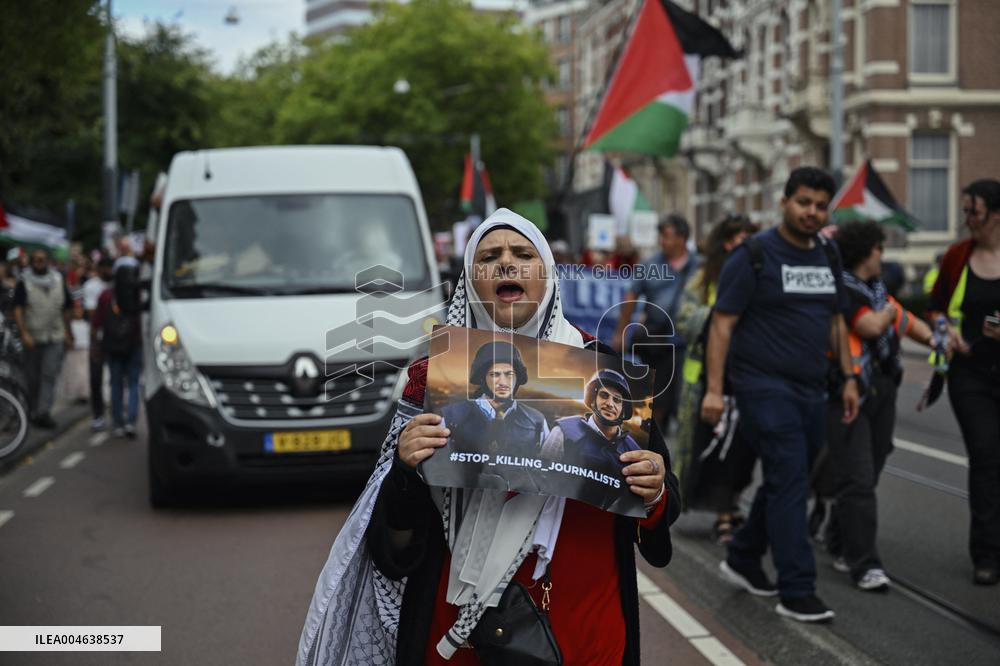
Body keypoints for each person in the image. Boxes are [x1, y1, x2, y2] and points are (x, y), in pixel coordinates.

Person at [298, 209, 680, 666]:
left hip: (581, 623)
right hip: (458, 632)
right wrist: (405, 469)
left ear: (548, 275)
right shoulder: (431, 380)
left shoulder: (602, 371)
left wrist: (653, 491)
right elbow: (394, 542)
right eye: (489, 257)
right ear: (470, 278)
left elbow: (660, 505)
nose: (506, 264)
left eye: (523, 254)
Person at [702, 167, 859, 623]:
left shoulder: (828, 254)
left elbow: (836, 320)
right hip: (762, 387)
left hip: (812, 388)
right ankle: (797, 589)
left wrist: (849, 377)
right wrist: (715, 391)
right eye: (804, 202)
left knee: (788, 479)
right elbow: (722, 325)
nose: (812, 212)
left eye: (821, 205)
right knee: (789, 476)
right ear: (784, 202)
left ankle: (744, 555)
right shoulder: (753, 255)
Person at [822, 220, 936, 592]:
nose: (882, 255)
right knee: (858, 477)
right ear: (865, 252)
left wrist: (938, 340)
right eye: (878, 248)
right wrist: (887, 311)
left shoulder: (875, 290)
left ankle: (839, 536)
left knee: (871, 466)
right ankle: (864, 564)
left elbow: (908, 321)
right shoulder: (847, 291)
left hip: (882, 389)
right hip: (848, 392)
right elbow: (872, 325)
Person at [929, 178, 1000, 586]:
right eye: (965, 211)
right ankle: (987, 553)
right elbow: (936, 307)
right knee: (986, 455)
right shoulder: (958, 256)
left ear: (995, 214)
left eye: (974, 211)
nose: (968, 219)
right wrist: (944, 332)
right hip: (969, 374)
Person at [674, 214, 759, 544]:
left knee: (742, 448)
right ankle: (724, 512)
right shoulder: (704, 277)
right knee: (714, 448)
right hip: (705, 380)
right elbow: (684, 317)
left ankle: (732, 504)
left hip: (747, 374)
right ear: (727, 242)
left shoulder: (758, 273)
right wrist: (722, 314)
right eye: (741, 239)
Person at [613, 214, 700, 433]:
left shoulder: (699, 265)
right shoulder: (651, 265)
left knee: (684, 394)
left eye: (668, 236)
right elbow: (630, 297)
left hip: (689, 342)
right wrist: (621, 332)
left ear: (683, 238)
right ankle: (654, 436)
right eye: (661, 236)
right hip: (657, 343)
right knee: (656, 395)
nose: (663, 241)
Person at [440, 340, 549, 458]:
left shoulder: (537, 421)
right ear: (482, 378)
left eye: (509, 374)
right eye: (494, 374)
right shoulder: (451, 417)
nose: (503, 382)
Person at [13, 248, 75, 428]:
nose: (39, 263)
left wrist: (67, 332)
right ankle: (32, 410)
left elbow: (67, 308)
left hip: (54, 335)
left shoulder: (58, 280)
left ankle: (43, 412)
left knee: (49, 374)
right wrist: (23, 332)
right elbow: (18, 309)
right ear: (32, 263)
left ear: (48, 261)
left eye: (43, 260)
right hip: (32, 337)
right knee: (32, 377)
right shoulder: (24, 281)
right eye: (36, 260)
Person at [540, 369, 640, 471]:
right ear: (593, 400)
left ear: (623, 409)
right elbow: (542, 475)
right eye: (604, 395)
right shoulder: (563, 432)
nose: (610, 403)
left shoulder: (634, 450)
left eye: (617, 399)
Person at [91, 264, 143, 439]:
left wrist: (96, 346)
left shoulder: (106, 295)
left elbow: (96, 323)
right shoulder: (137, 294)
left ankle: (118, 422)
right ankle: (131, 421)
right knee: (134, 383)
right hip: (134, 346)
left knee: (116, 384)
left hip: (112, 347)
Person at [82, 257, 114, 430]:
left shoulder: (118, 283)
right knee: (96, 378)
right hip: (98, 338)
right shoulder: (91, 286)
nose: (109, 272)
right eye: (106, 268)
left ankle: (118, 413)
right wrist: (95, 342)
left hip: (117, 338)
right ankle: (98, 415)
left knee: (117, 377)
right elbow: (92, 314)